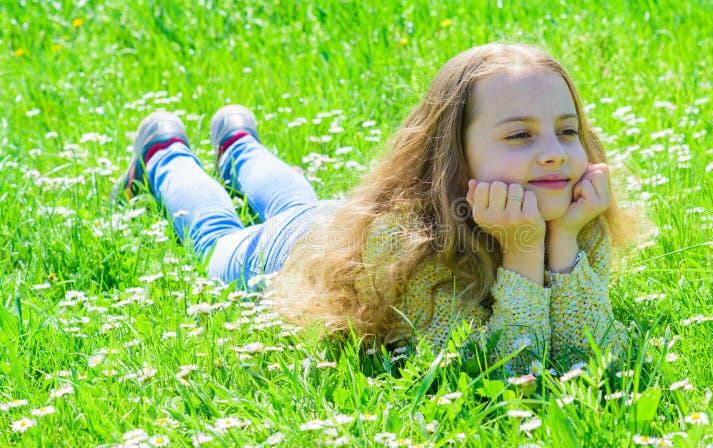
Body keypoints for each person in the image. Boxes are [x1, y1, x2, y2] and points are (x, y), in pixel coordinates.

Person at [113, 43, 631, 374]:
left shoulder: (572, 212)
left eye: (567, 131)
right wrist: (522, 250)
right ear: (454, 155)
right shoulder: (412, 247)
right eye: (519, 134)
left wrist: (559, 243)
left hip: (330, 225)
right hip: (280, 254)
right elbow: (507, 374)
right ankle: (164, 153)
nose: (554, 152)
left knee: (298, 198)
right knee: (215, 232)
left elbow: (585, 355)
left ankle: (239, 143)